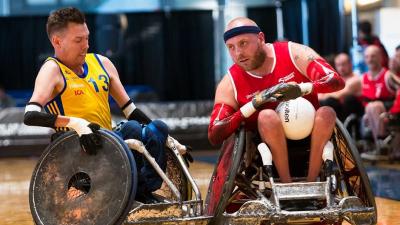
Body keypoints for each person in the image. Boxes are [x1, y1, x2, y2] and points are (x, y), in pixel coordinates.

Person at [23, 7, 169, 204]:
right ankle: (134, 192)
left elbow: (130, 110)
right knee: (132, 129)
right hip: (76, 149)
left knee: (157, 128)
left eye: (87, 38)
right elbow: (30, 115)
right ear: (57, 41)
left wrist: (168, 140)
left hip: (110, 141)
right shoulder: (52, 70)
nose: (86, 45)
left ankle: (142, 189)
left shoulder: (102, 63)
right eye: (78, 40)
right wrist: (77, 124)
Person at [208, 17, 344, 183]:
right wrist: (254, 104)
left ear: (261, 38)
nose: (238, 53)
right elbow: (214, 134)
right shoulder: (229, 83)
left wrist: (301, 88)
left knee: (327, 112)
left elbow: (335, 81)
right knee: (267, 116)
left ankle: (312, 180)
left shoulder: (293, 53)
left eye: (243, 43)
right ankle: (287, 185)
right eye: (231, 47)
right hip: (264, 148)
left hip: (311, 136)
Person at [359, 45, 396, 159]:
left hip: (388, 108)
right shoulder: (362, 78)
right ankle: (378, 145)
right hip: (370, 110)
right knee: (370, 107)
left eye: (373, 56)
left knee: (374, 106)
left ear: (380, 58)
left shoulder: (388, 75)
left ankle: (381, 144)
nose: (370, 59)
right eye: (367, 56)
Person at [319, 53, 363, 121]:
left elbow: (338, 95)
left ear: (350, 64)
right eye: (338, 65)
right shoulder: (336, 79)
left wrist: (324, 94)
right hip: (339, 111)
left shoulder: (355, 80)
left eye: (343, 64)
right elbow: (319, 95)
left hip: (352, 112)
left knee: (330, 101)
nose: (341, 68)